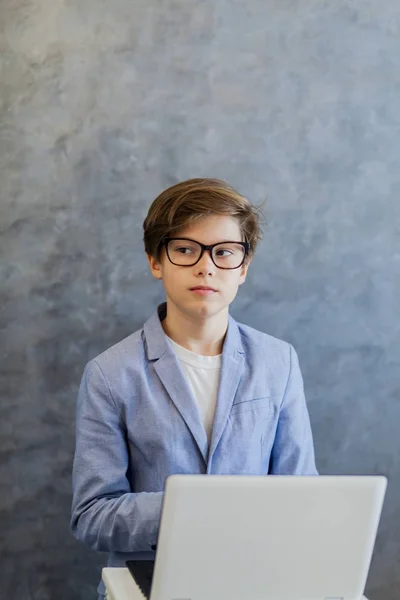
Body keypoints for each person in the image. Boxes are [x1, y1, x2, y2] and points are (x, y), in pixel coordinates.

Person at [71, 178, 317, 599]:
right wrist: (192, 510)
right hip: (148, 587)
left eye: (224, 252)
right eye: (185, 249)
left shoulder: (279, 361)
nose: (206, 267)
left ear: (243, 267)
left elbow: (302, 493)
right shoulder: (109, 374)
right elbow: (92, 516)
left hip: (256, 582)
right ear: (155, 261)